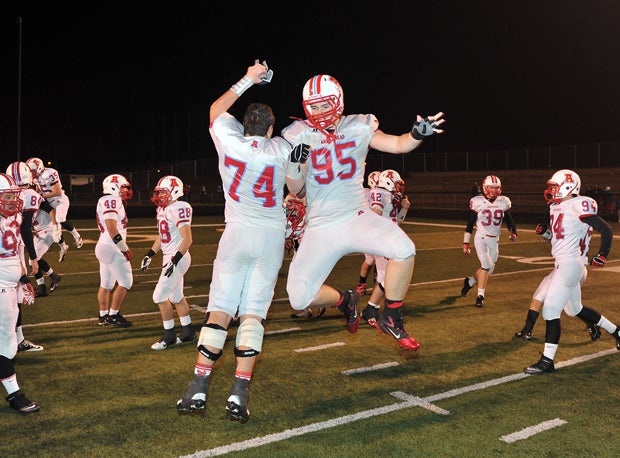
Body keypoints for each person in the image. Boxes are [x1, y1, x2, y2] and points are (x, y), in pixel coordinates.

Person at [283, 73, 445, 350]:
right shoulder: (298, 134)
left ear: (339, 102)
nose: (320, 113)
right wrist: (295, 165)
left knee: (403, 248)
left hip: (355, 216)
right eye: (315, 106)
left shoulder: (359, 126)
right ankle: (345, 301)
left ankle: (391, 316)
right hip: (320, 226)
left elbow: (397, 144)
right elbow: (297, 190)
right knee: (299, 298)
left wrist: (417, 135)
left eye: (325, 105)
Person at [177, 59, 289, 422]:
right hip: (270, 237)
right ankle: (239, 395)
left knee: (220, 311)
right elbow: (300, 185)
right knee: (253, 315)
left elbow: (215, 109)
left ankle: (197, 389)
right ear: (271, 128)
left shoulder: (230, 139)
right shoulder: (282, 149)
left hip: (236, 234)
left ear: (245, 125)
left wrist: (249, 79)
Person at [524, 169, 620, 375]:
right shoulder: (558, 206)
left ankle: (547, 361)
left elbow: (607, 229)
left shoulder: (579, 204)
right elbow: (563, 235)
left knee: (550, 310)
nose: (552, 190)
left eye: (555, 186)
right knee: (574, 309)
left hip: (570, 265)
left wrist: (602, 254)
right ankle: (617, 331)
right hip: (568, 264)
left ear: (569, 186)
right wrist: (548, 233)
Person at [514, 224, 600, 341]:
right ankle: (527, 330)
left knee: (571, 309)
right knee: (540, 295)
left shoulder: (573, 222)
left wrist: (546, 233)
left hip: (571, 270)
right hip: (571, 268)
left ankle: (595, 323)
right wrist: (548, 234)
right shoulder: (583, 223)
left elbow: (558, 240)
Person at [6, 161, 57, 351]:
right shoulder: (29, 195)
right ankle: (16, 341)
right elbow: (24, 229)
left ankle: (16, 339)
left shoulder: (8, 192)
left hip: (6, 247)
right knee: (14, 298)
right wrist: (34, 257)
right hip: (11, 252)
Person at [0, 172, 40, 414]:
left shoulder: (13, 216)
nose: (12, 201)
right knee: (5, 340)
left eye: (13, 195)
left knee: (9, 340)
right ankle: (15, 394)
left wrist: (22, 279)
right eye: (6, 196)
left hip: (9, 283)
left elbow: (16, 250)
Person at [141, 175, 195, 350]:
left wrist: (175, 260)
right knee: (176, 296)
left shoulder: (179, 207)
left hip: (178, 256)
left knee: (159, 296)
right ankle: (188, 332)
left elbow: (187, 239)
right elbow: (163, 237)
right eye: (160, 192)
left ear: (175, 191)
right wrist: (150, 253)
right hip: (170, 256)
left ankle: (169, 336)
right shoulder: (163, 210)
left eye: (164, 191)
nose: (160, 195)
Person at [361, 170, 410, 328]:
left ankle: (374, 309)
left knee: (386, 277)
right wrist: (382, 240)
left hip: (388, 239)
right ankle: (375, 310)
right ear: (388, 182)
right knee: (387, 277)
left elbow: (398, 221)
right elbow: (375, 217)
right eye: (397, 184)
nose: (399, 188)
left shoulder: (392, 197)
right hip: (381, 239)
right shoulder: (379, 192)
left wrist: (404, 209)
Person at [460, 175, 517, 307]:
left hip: (494, 239)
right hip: (481, 238)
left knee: (488, 269)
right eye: (492, 187)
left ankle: (470, 282)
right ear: (485, 188)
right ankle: (480, 296)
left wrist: (513, 232)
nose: (494, 190)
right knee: (486, 265)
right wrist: (466, 242)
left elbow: (509, 219)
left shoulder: (503, 201)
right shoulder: (478, 201)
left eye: (496, 188)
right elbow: (470, 223)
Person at [95, 174, 134, 327]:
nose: (125, 190)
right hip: (112, 245)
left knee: (106, 284)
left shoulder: (107, 200)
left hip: (104, 244)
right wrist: (123, 248)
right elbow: (111, 228)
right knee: (126, 281)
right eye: (123, 186)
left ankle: (103, 316)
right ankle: (113, 315)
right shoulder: (111, 199)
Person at [26, 157, 83, 262]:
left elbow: (58, 192)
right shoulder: (35, 178)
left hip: (60, 200)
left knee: (60, 219)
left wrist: (41, 195)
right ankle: (63, 248)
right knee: (54, 230)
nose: (31, 173)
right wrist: (37, 194)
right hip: (50, 203)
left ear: (38, 168)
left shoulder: (50, 173)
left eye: (32, 170)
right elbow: (38, 189)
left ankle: (77, 236)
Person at [356, 170, 381, 297]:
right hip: (369, 230)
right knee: (373, 259)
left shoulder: (370, 192)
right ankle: (369, 285)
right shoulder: (369, 193)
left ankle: (364, 285)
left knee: (372, 259)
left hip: (371, 229)